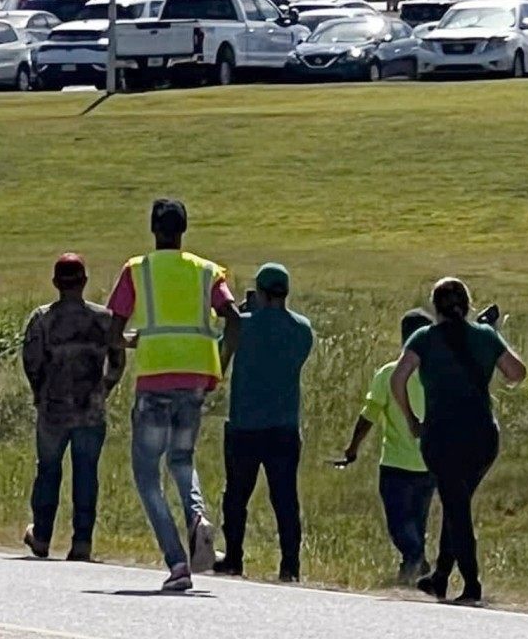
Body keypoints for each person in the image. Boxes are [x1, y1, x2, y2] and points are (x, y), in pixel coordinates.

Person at [107, 198, 243, 593]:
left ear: (153, 228)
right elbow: (234, 319)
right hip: (196, 377)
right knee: (182, 459)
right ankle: (197, 516)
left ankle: (177, 561)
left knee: (148, 475)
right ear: (184, 230)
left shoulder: (138, 270)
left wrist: (137, 341)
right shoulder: (206, 271)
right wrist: (221, 361)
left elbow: (113, 331)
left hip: (154, 379)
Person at [391, 278, 526, 606]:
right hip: (482, 436)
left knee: (457, 506)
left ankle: (471, 584)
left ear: (435, 308)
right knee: (457, 501)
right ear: (467, 305)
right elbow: (516, 372)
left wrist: (412, 420)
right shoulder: (485, 336)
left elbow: (398, 379)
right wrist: (492, 336)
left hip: (442, 435)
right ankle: (439, 577)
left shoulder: (423, 338)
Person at [21, 253, 125, 562]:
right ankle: (82, 542)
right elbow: (118, 362)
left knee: (48, 471)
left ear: (55, 283)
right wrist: (102, 389)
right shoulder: (104, 319)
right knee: (86, 473)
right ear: (84, 282)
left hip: (53, 409)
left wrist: (40, 391)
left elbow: (31, 362)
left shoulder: (42, 319)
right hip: (90, 410)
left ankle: (41, 535)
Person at [214, 263, 314, 582]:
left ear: (260, 291)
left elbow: (220, 361)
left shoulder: (242, 326)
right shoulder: (302, 329)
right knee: (285, 498)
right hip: (284, 425)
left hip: (245, 424)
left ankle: (233, 558)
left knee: (236, 497)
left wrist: (244, 317)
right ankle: (290, 565)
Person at [337, 308, 435, 581]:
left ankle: (415, 558)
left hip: (396, 463)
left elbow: (368, 415)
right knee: (418, 519)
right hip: (429, 464)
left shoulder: (389, 373)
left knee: (399, 522)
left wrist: (353, 447)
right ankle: (414, 566)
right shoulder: (437, 375)